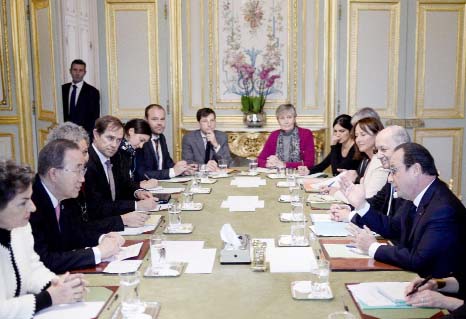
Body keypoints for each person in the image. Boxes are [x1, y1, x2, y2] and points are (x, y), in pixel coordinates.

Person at [341, 143, 466, 278]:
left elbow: (419, 260)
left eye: (394, 171)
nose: (390, 179)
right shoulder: (416, 196)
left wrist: (372, 247)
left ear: (415, 170)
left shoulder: (443, 209)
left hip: (437, 290)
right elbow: (392, 227)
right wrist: (361, 205)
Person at [0, 159, 88, 318]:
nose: (32, 208)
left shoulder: (20, 227)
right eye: (23, 203)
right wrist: (50, 297)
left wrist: (57, 284)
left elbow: (33, 267)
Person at [29, 140, 124, 273]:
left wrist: (102, 238)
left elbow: (74, 233)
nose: (82, 179)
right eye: (77, 170)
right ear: (54, 174)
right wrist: (97, 252)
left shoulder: (62, 195)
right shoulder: (29, 204)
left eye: (83, 170)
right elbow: (44, 260)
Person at [330, 125, 411, 222]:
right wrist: (350, 208)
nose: (379, 155)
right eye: (378, 150)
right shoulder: (391, 173)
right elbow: (376, 202)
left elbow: (394, 226)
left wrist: (350, 216)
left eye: (383, 149)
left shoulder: (408, 180)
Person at [85, 116, 157, 221]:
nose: (114, 145)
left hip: (114, 219)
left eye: (118, 140)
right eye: (110, 138)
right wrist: (136, 206)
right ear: (96, 135)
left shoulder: (115, 157)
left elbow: (124, 185)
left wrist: (137, 192)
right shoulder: (87, 163)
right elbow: (97, 208)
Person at [136, 104, 192, 180]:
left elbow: (167, 163)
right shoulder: (140, 141)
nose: (159, 123)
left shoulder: (161, 137)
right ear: (146, 120)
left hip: (161, 185)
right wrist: (173, 172)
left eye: (162, 119)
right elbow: (142, 174)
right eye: (155, 119)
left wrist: (182, 170)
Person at [258, 104, 315, 169]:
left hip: (298, 175)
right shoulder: (274, 135)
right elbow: (260, 160)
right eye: (282, 118)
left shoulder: (306, 134)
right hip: (277, 174)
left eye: (289, 117)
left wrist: (284, 165)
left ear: (294, 118)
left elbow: (310, 163)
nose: (286, 122)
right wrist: (268, 164)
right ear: (278, 120)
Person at [350, 117, 387, 198]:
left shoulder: (380, 162)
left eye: (363, 134)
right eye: (356, 135)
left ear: (378, 135)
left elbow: (368, 197)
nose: (358, 140)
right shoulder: (368, 160)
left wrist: (336, 193)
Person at [62, 59, 100, 136]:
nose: (77, 73)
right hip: (64, 132)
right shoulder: (62, 89)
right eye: (75, 70)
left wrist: (87, 134)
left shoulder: (93, 92)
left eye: (80, 70)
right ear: (70, 71)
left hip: (83, 133)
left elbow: (94, 117)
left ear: (84, 72)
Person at [119, 118, 158, 189]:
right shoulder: (116, 152)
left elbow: (138, 174)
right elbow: (120, 185)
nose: (141, 146)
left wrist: (142, 183)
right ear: (131, 131)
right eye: (141, 140)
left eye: (144, 142)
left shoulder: (132, 151)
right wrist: (139, 185)